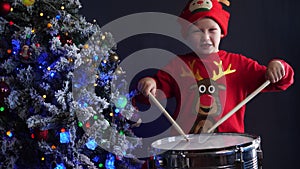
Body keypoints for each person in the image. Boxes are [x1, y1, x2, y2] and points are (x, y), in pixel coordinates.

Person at [135, 0, 294, 135]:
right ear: (187, 36)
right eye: (197, 31)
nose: (205, 37)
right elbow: (150, 97)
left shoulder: (238, 64)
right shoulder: (178, 65)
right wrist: (149, 84)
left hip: (229, 145)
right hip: (187, 146)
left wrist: (278, 67)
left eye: (212, 30)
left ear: (222, 32)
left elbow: (279, 82)